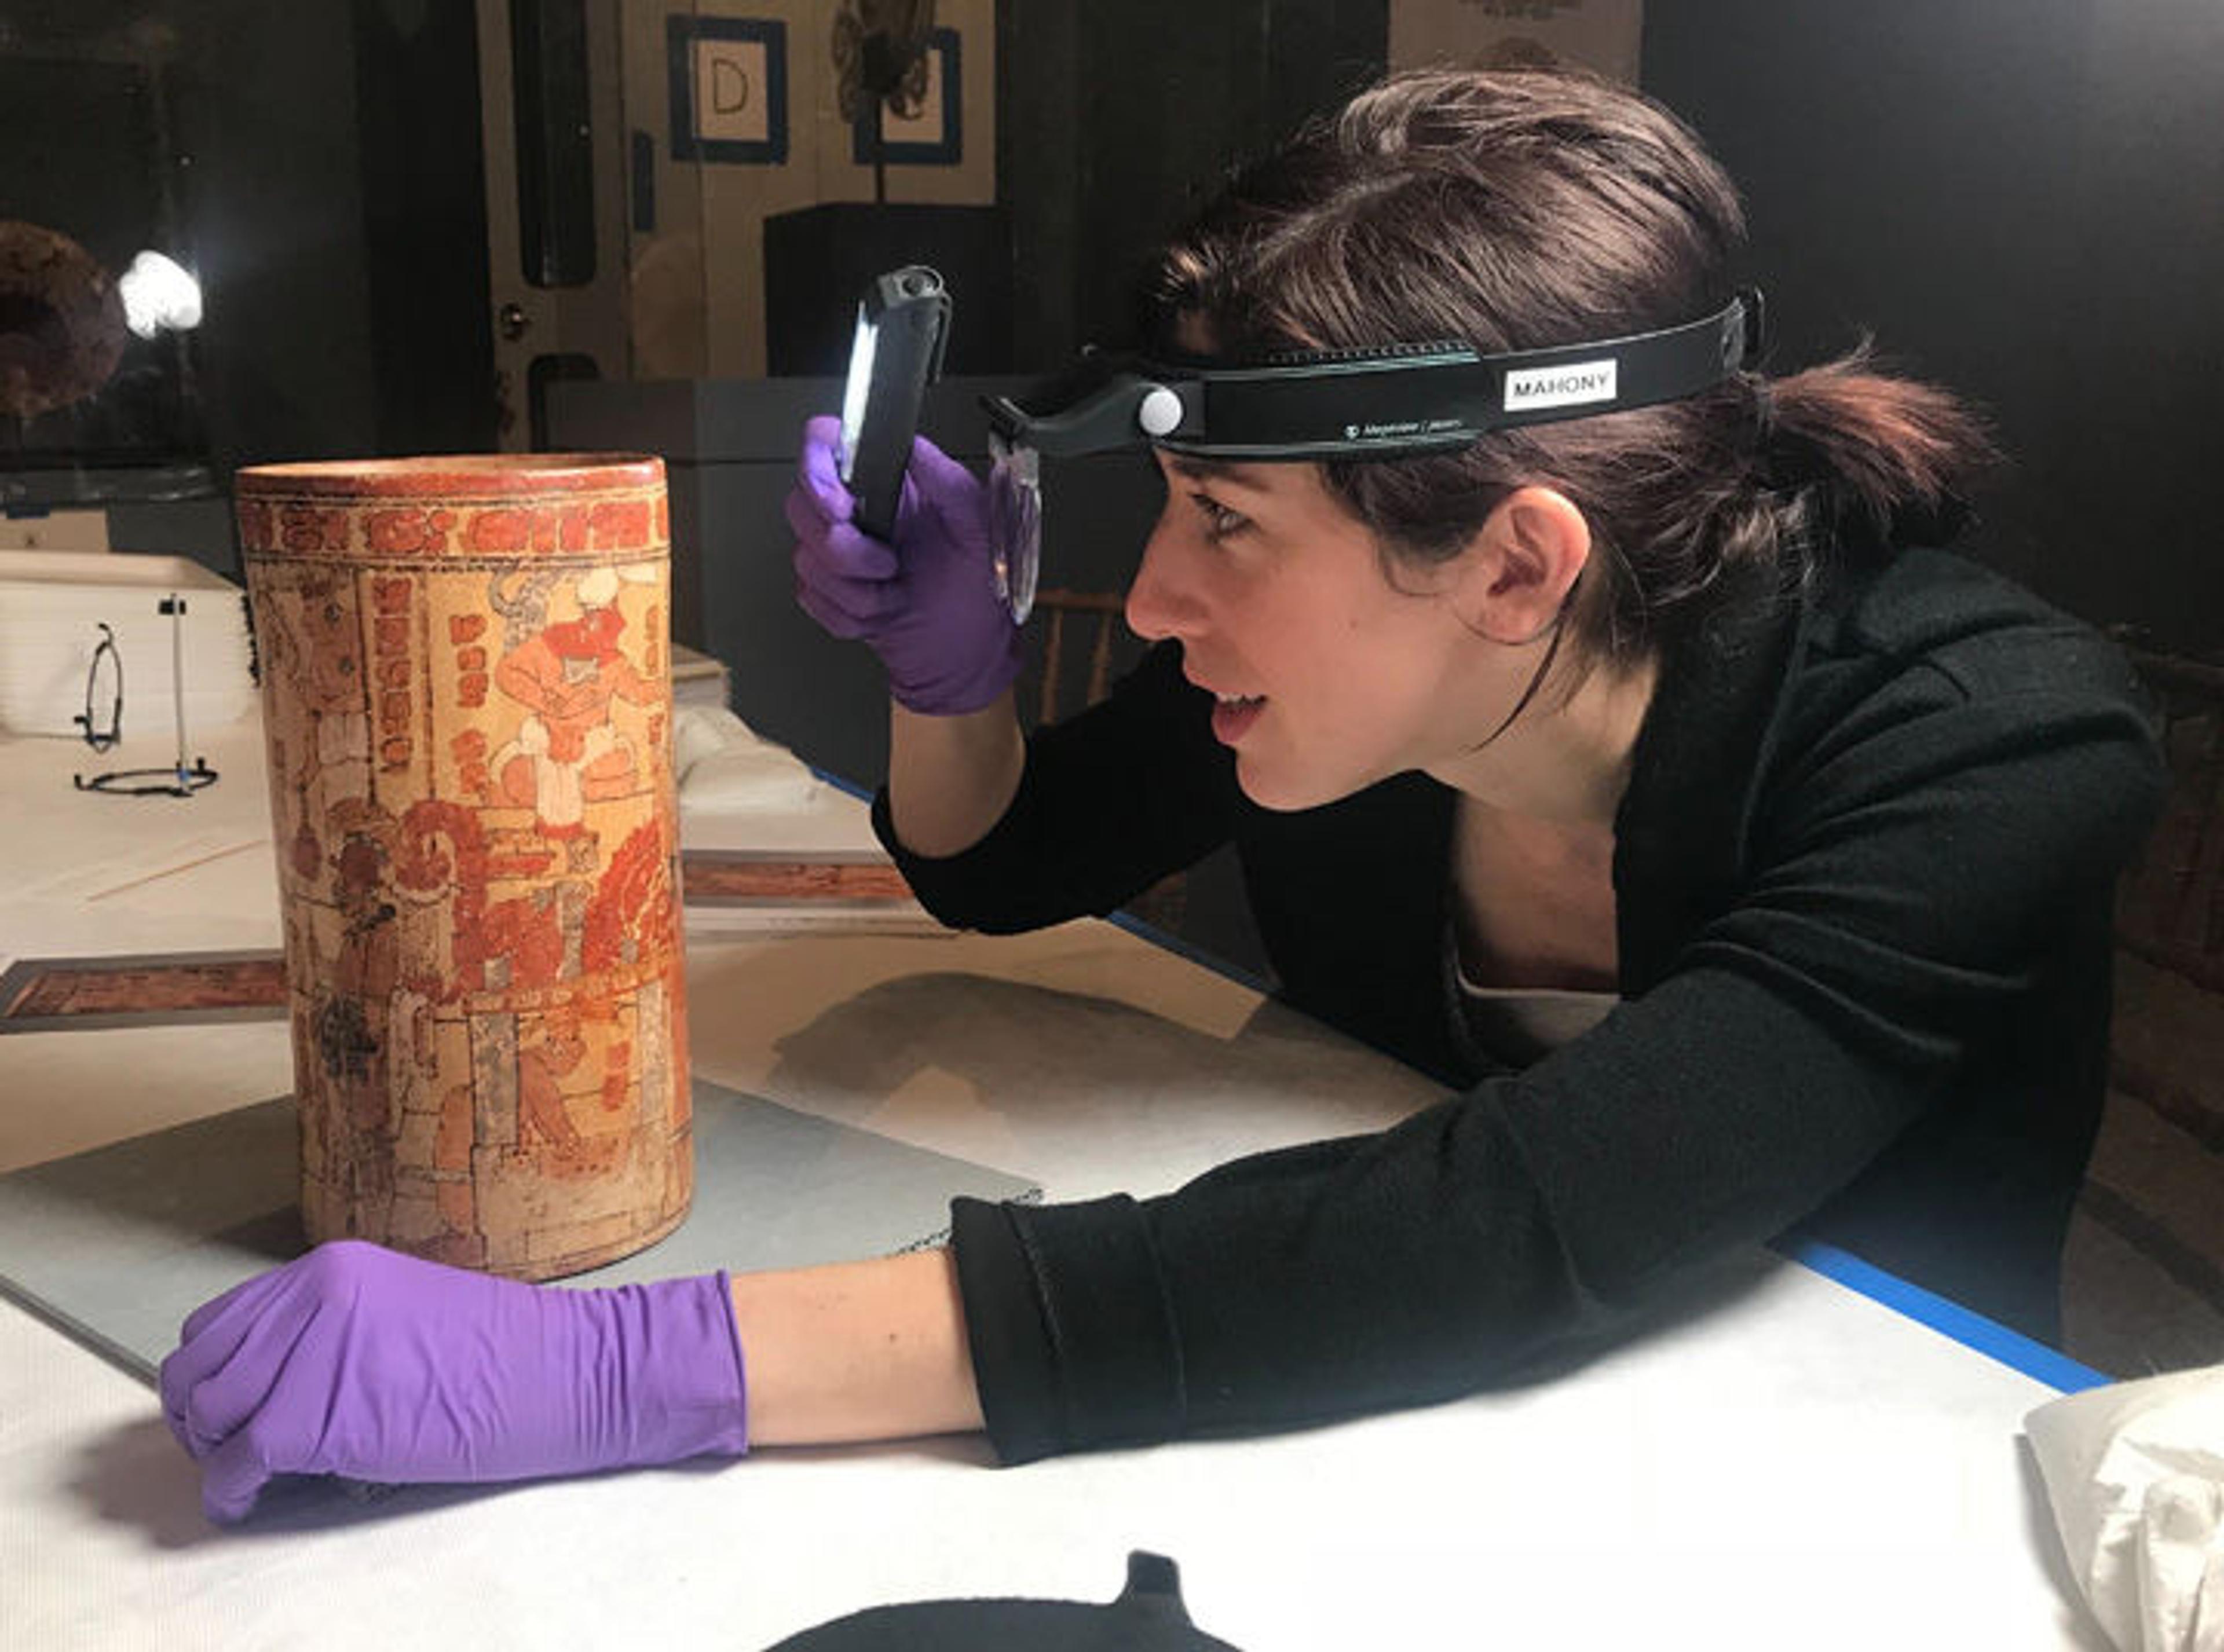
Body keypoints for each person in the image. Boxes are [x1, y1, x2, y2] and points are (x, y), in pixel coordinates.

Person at [159, 66, 2162, 1522]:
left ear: (1517, 564)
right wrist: (940, 682)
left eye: (1222, 520)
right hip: (1431, 1422)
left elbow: (1506, 1222)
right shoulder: (1384, 695)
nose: (1165, 592)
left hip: (1852, 1482)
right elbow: (1006, 864)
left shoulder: (1992, 741)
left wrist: (648, 1366)